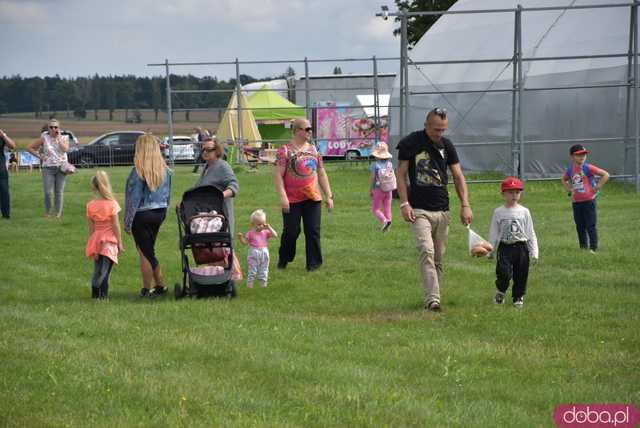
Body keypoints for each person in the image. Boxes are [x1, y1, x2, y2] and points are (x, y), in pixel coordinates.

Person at [396, 107, 473, 312]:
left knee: (438, 257)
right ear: (426, 125)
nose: (439, 134)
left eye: (443, 130)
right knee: (426, 251)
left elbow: (458, 176)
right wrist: (404, 203)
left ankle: (434, 296)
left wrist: (465, 205)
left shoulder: (447, 145)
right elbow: (401, 174)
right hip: (419, 209)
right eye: (436, 129)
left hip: (442, 210)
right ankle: (433, 300)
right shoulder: (410, 143)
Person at [273, 118, 334, 272]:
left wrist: (329, 195)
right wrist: (283, 197)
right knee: (291, 232)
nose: (310, 132)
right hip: (292, 199)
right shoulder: (285, 150)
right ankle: (285, 257)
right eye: (307, 129)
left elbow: (321, 173)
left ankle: (313, 265)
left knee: (313, 231)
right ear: (297, 130)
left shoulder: (314, 149)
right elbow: (278, 175)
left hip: (313, 197)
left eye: (310, 129)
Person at [124, 134, 172, 298]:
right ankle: (159, 285)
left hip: (142, 214)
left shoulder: (137, 172)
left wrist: (128, 221)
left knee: (144, 252)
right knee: (149, 248)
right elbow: (168, 195)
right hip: (159, 212)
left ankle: (150, 287)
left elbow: (133, 199)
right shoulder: (165, 170)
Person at [194, 136, 243, 280]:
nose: (205, 152)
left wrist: (220, 195)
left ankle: (234, 274)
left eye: (209, 149)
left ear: (217, 151)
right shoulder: (207, 167)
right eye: (203, 149)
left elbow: (234, 187)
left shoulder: (222, 166)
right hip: (207, 216)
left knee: (223, 244)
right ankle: (217, 274)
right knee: (212, 245)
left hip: (221, 215)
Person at [487, 177, 539, 309]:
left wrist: (534, 251)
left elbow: (530, 232)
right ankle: (501, 291)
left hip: (521, 247)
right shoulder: (499, 212)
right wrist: (490, 250)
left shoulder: (524, 212)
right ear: (503, 194)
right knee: (503, 273)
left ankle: (518, 296)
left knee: (521, 274)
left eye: (517, 192)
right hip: (505, 247)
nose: (514, 195)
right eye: (510, 192)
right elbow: (494, 232)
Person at [561, 144, 609, 253]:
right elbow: (564, 179)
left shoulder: (588, 167)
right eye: (578, 155)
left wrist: (597, 187)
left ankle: (593, 248)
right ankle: (583, 247)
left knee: (590, 225)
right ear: (572, 156)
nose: (582, 157)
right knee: (580, 225)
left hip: (589, 201)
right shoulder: (571, 170)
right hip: (577, 202)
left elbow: (606, 175)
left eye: (584, 155)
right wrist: (569, 191)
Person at [86, 170, 124, 300]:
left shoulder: (90, 205)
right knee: (106, 271)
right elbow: (116, 225)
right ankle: (103, 296)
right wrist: (119, 242)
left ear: (93, 187)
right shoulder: (112, 204)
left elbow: (91, 228)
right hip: (109, 242)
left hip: (96, 240)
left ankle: (94, 294)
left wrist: (92, 242)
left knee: (97, 270)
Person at [28, 119, 70, 220]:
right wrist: (41, 157)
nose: (53, 129)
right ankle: (47, 212)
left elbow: (65, 149)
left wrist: (59, 138)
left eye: (56, 127)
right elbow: (30, 148)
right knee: (48, 192)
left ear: (59, 128)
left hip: (61, 168)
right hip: (48, 168)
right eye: (51, 127)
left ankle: (58, 214)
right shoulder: (44, 137)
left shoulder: (64, 137)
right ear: (48, 128)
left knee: (59, 192)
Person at [237, 209, 277, 288]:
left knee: (264, 269)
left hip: (264, 252)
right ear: (253, 224)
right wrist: (241, 238)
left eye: (263, 224)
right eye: (258, 224)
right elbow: (245, 242)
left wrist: (269, 227)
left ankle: (263, 285)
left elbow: (275, 235)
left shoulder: (265, 232)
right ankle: (250, 285)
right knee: (253, 270)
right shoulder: (250, 233)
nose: (261, 226)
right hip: (254, 252)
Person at [368, 142, 396, 232]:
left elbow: (373, 178)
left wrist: (371, 189)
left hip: (378, 189)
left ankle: (384, 221)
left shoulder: (374, 165)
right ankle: (388, 226)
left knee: (376, 209)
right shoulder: (390, 164)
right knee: (387, 208)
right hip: (389, 189)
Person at [0, 129, 17, 219]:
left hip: (1, 167)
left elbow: (12, 146)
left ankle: (6, 214)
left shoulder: (1, 135)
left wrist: (3, 135)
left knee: (4, 191)